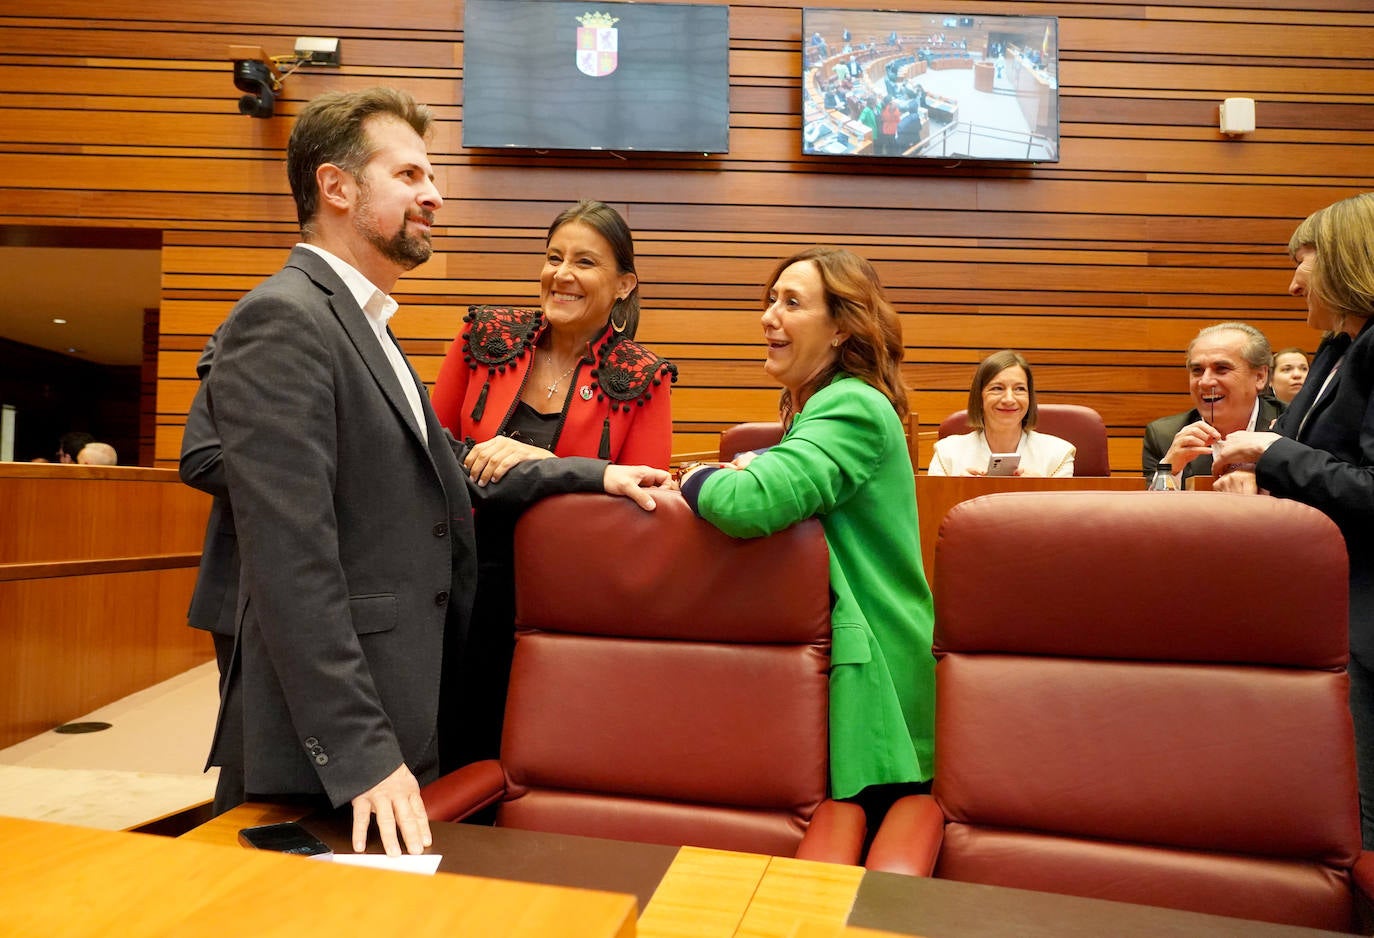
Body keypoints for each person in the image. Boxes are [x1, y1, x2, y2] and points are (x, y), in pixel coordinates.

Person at [186, 87, 667, 857]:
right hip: (337, 750)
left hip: (402, 706)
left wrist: (593, 477)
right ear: (336, 187)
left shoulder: (368, 324)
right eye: (409, 175)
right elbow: (289, 564)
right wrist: (360, 751)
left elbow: (452, 472)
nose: (435, 194)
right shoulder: (284, 319)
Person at [671, 246, 934, 826]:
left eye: (791, 303)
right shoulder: (815, 407)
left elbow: (749, 503)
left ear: (841, 329)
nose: (769, 316)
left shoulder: (853, 405)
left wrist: (692, 475)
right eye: (770, 300)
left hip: (875, 678)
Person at [428, 200, 676, 768]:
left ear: (623, 285)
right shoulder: (484, 337)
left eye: (585, 262)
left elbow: (642, 504)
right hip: (455, 580)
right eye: (554, 257)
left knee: (537, 753)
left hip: (569, 596)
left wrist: (528, 457)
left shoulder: (643, 376)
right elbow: (431, 453)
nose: (562, 274)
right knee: (447, 744)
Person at [1211, 192, 1374, 846]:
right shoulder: (1339, 348)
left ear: (1342, 260)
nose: (1292, 281)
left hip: (1364, 619)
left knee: (1360, 811)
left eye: (1301, 261)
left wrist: (1272, 450)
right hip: (1322, 602)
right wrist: (1256, 465)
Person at [1141, 321, 1281, 485]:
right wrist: (1170, 471)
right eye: (1197, 370)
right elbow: (1152, 508)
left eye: (1221, 368)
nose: (1205, 382)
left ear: (1259, 377)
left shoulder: (1292, 426)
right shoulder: (1163, 435)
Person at [927, 350, 1075, 477]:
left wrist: (1040, 489)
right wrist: (956, 489)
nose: (1009, 399)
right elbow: (932, 509)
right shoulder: (947, 452)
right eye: (997, 388)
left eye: (1019, 389)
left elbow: (1065, 510)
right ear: (979, 397)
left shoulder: (1059, 454)